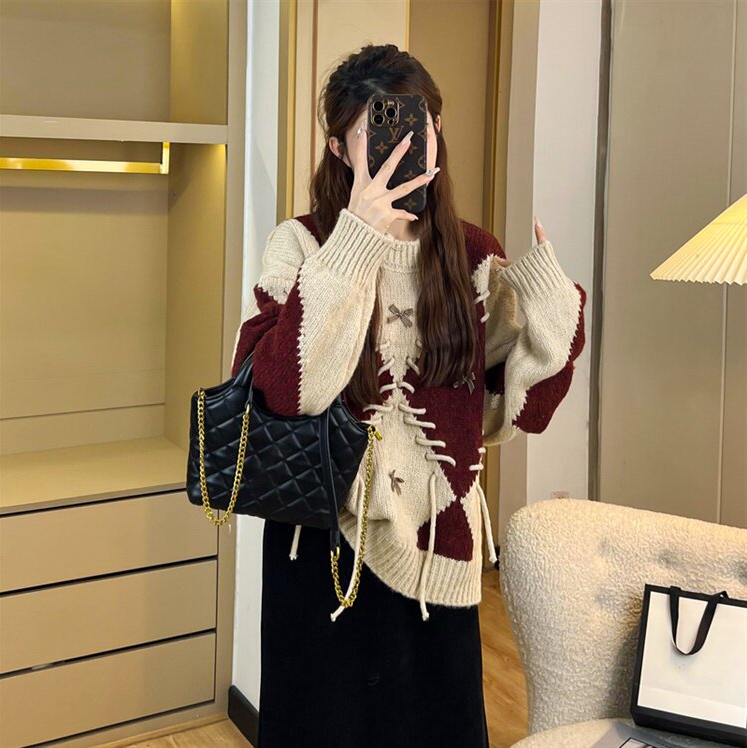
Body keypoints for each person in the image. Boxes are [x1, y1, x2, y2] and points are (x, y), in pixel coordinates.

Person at [230, 43, 587, 748]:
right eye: (378, 129)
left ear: (437, 130)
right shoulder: (301, 246)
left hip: (438, 551)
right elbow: (286, 392)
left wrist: (551, 307)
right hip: (321, 554)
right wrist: (356, 242)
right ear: (338, 148)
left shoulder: (472, 255)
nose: (402, 145)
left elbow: (520, 409)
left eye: (416, 123)